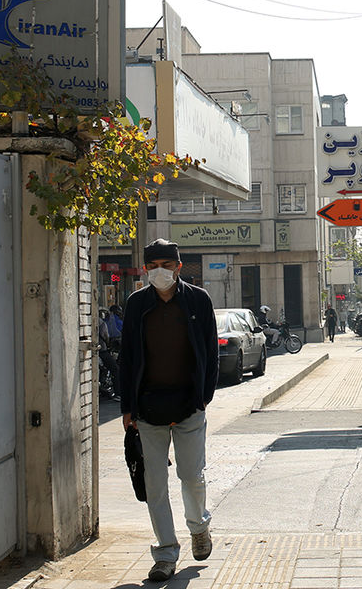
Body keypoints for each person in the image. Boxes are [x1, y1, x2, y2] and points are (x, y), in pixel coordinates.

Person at [119, 239, 218, 582]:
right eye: (152, 265)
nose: (159, 271)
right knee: (155, 484)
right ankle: (165, 553)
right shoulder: (136, 304)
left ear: (178, 266)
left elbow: (210, 350)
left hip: (189, 407)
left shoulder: (198, 300)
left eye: (166, 264)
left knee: (191, 476)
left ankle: (199, 527)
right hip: (148, 410)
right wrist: (127, 406)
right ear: (145, 270)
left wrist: (203, 397)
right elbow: (128, 355)